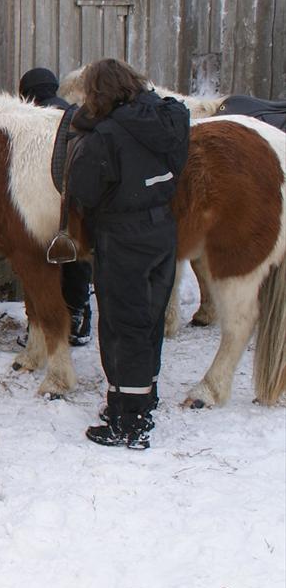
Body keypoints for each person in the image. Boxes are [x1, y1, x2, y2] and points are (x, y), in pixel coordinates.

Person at [65, 59, 189, 450]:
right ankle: (140, 398)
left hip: (123, 235)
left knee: (123, 326)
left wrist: (87, 128)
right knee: (149, 319)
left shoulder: (105, 136)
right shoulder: (168, 120)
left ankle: (129, 424)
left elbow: (83, 191)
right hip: (162, 230)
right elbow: (174, 111)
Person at [18, 68, 94, 346]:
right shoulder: (75, 115)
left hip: (40, 199)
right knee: (76, 258)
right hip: (77, 199)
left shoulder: (29, 120)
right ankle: (78, 314)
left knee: (41, 261)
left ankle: (42, 324)